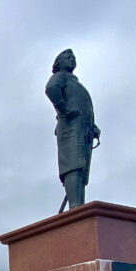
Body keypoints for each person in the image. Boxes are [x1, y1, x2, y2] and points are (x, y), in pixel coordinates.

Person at [45, 49, 100, 210]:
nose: (72, 60)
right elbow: (51, 89)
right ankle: (75, 205)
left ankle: (78, 205)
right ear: (58, 63)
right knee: (73, 165)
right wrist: (64, 110)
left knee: (81, 168)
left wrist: (93, 126)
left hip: (84, 130)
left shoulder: (75, 83)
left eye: (73, 58)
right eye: (68, 58)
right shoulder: (60, 77)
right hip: (70, 127)